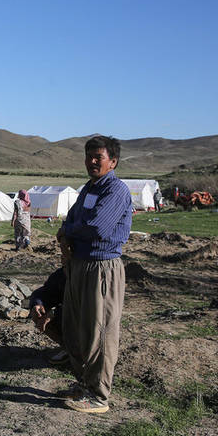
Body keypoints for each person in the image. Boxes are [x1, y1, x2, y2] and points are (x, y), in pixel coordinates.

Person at [56, 135, 131, 414]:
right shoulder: (89, 189)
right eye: (88, 156)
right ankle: (84, 384)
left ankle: (99, 395)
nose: (91, 162)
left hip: (102, 266)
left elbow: (98, 228)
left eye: (97, 157)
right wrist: (71, 227)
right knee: (76, 326)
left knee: (100, 331)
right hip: (79, 263)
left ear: (113, 161)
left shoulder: (116, 191)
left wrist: (70, 231)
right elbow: (73, 217)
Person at [28, 267, 68, 364]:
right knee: (40, 313)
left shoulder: (93, 275)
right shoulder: (62, 274)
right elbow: (46, 291)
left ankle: (87, 352)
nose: (63, 258)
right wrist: (38, 304)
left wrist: (55, 312)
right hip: (68, 316)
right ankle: (71, 349)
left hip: (94, 324)